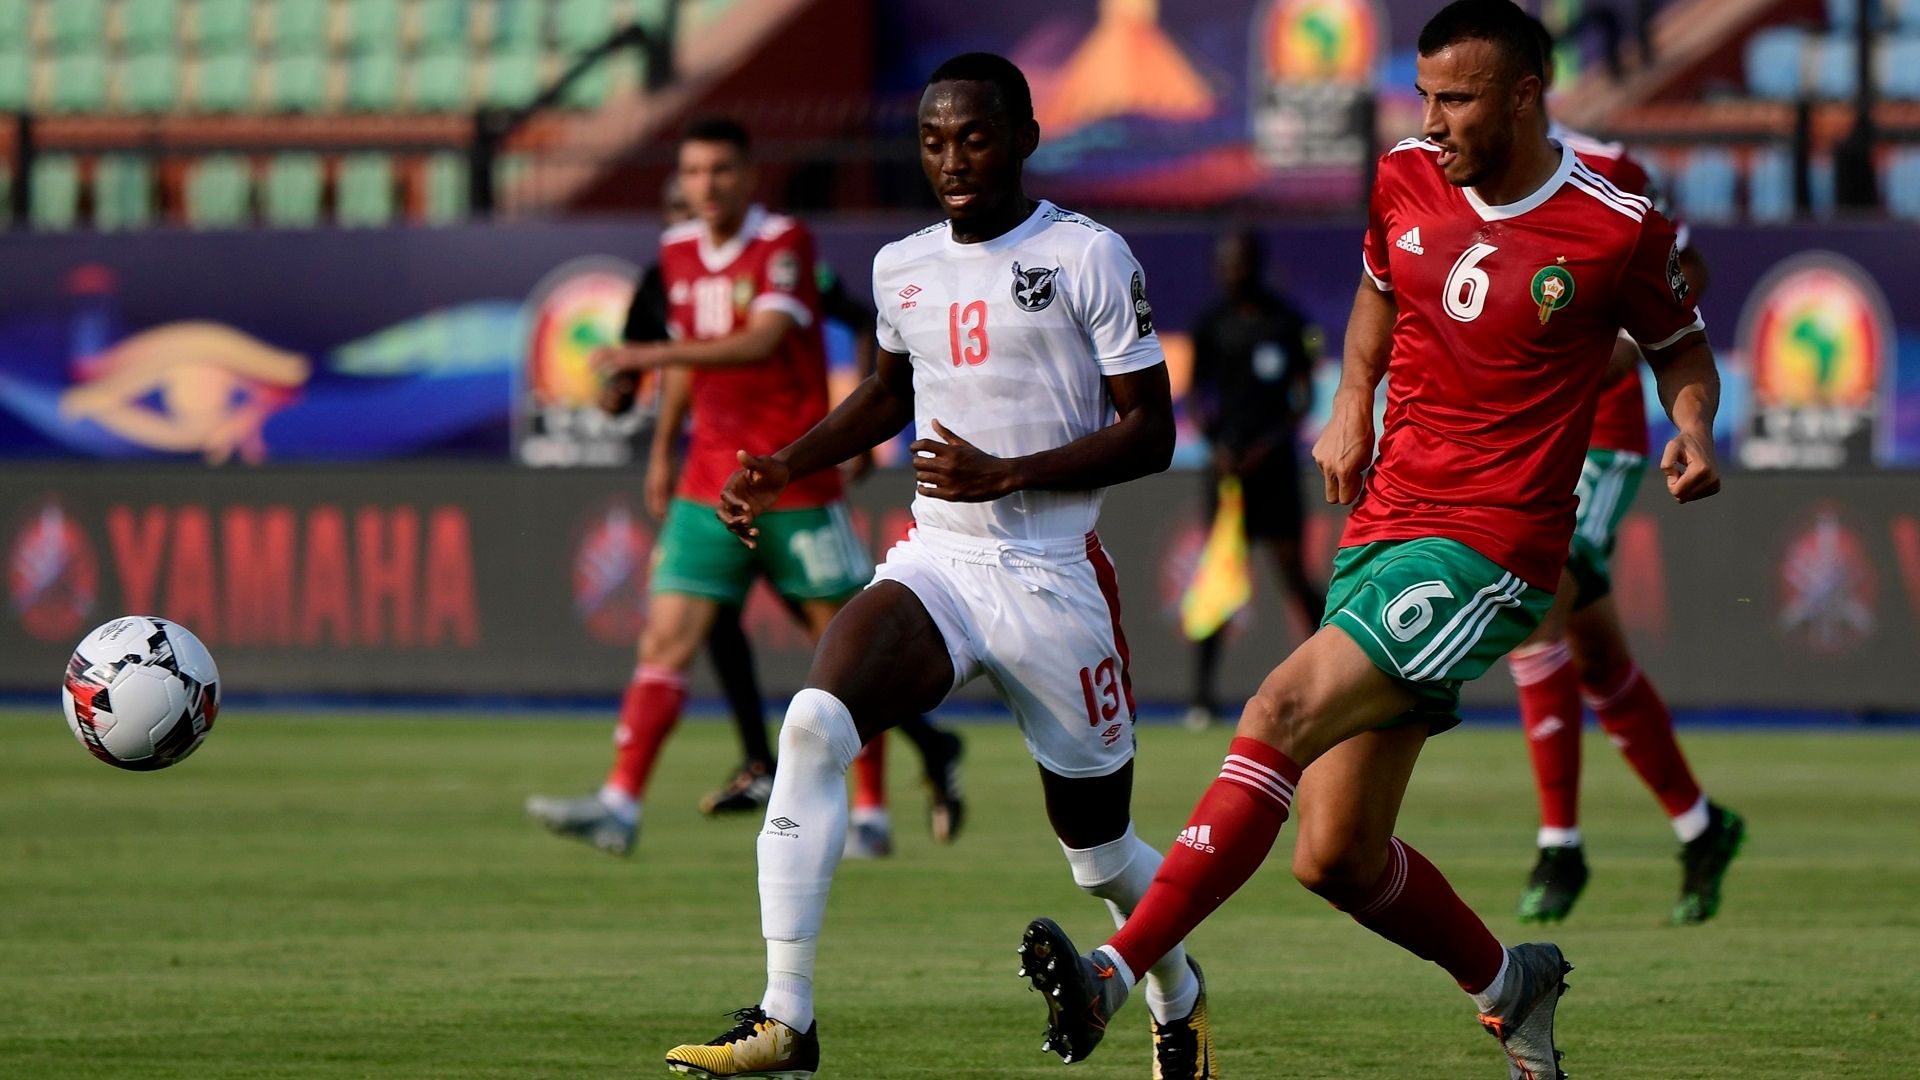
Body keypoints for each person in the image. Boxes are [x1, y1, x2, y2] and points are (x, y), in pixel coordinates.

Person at [1015, 5, 1722, 1079]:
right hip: (1384, 522)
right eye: (1425, 95)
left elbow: (1682, 348)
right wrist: (1352, 398)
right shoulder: (1403, 177)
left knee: (1278, 709)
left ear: (1525, 96)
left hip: (1491, 550)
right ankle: (1512, 987)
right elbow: (1377, 292)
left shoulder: (1614, 225)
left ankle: (1115, 973)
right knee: (1336, 854)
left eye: (1458, 99)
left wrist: (1694, 428)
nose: (1432, 120)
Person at [664, 53, 1214, 1080]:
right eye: (932, 140)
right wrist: (786, 463)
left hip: (1055, 579)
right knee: (813, 724)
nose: (952, 159)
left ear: (1025, 139)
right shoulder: (901, 265)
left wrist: (1010, 472)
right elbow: (888, 391)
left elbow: (1152, 432)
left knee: (1099, 855)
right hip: (943, 561)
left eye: (974, 137)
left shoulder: (1088, 255)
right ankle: (787, 1020)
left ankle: (1178, 996)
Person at [524, 118, 953, 858]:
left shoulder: (784, 242)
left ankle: (870, 815)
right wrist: (663, 449)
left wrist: (645, 354)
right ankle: (620, 803)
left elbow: (760, 339)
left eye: (721, 169)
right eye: (694, 172)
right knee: (665, 638)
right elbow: (690, 363)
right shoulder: (677, 251)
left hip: (793, 476)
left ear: (749, 175)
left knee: (846, 644)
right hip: (706, 482)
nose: (707, 185)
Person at [1509, 17, 1743, 926]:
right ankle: (1700, 825)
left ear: (1530, 85)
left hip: (1600, 439)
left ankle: (1559, 847)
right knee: (1598, 656)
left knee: (1541, 600)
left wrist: (1613, 356)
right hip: (1524, 443)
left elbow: (1686, 270)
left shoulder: (1610, 169)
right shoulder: (1457, 182)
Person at [1183, 229, 1328, 731]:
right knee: (1218, 582)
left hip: (1275, 472)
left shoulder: (1287, 323)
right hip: (1228, 477)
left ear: (1257, 265)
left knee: (1294, 578)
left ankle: (1329, 683)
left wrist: (1269, 445)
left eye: (1239, 263)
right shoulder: (1210, 324)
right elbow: (1196, 396)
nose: (1231, 273)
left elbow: (1304, 398)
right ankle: (1202, 698)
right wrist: (1217, 443)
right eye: (1224, 264)